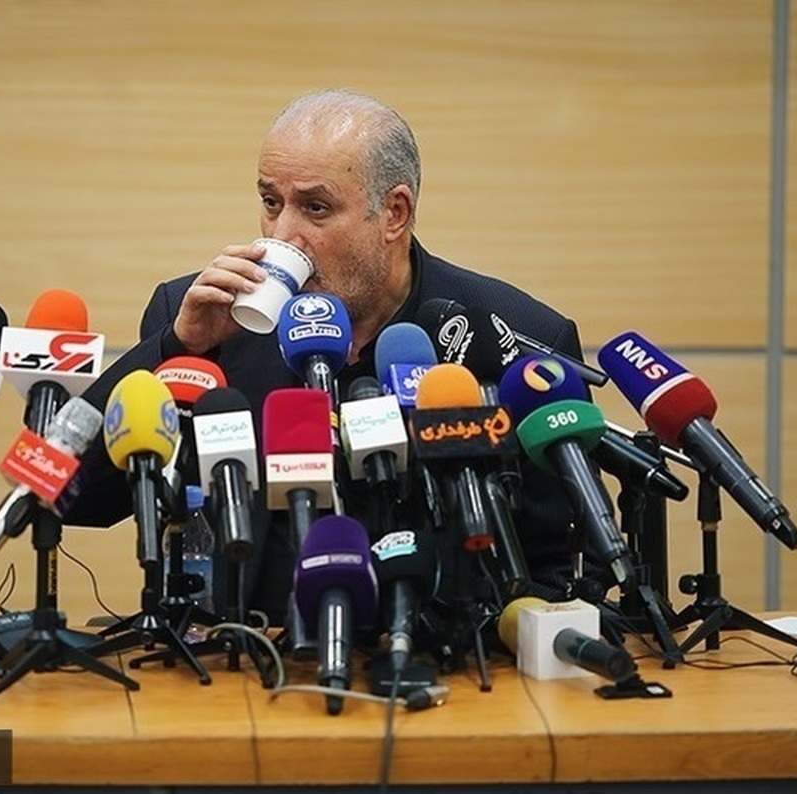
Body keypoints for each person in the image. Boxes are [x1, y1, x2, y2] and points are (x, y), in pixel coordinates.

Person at [66, 89, 593, 625]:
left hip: (451, 657)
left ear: (395, 213)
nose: (282, 236)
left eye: (315, 208)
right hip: (246, 655)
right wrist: (178, 346)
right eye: (271, 203)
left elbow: (555, 568)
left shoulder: (513, 335)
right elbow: (71, 494)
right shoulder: (202, 319)